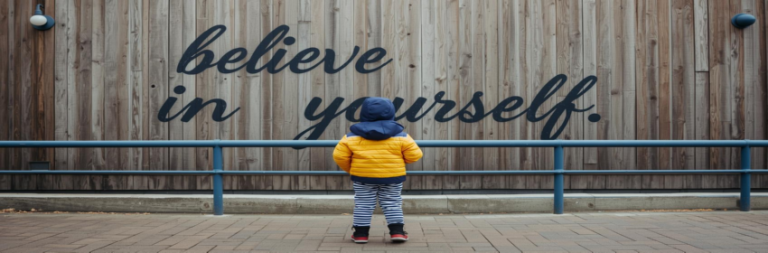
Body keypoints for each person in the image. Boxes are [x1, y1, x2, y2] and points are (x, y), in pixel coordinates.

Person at [332, 97, 423, 244]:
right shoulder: (402, 136)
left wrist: (352, 169)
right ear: (391, 113)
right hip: (393, 176)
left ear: (363, 113)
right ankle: (397, 232)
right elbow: (415, 155)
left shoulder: (350, 137)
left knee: (363, 204)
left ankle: (360, 235)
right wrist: (399, 162)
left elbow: (339, 156)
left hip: (362, 177)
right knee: (392, 203)